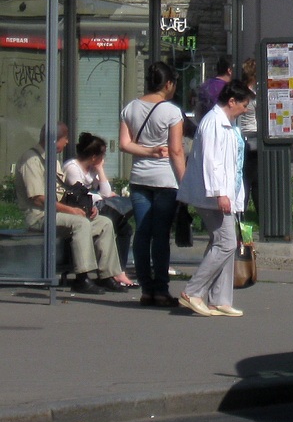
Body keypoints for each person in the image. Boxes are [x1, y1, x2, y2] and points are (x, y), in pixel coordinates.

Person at [14, 123, 125, 294]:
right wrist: (71, 211)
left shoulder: (53, 160)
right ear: (54, 140)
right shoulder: (32, 160)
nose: (66, 143)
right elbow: (38, 198)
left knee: (104, 223)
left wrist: (84, 208)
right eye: (65, 139)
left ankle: (106, 275)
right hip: (39, 216)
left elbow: (61, 194)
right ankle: (82, 277)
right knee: (80, 223)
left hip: (58, 213)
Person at [177, 80, 254, 318]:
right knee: (226, 242)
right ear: (231, 102)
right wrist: (220, 193)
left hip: (223, 193)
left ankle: (219, 299)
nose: (245, 110)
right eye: (243, 105)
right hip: (212, 195)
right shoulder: (213, 123)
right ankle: (193, 291)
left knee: (222, 243)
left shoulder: (227, 125)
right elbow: (212, 161)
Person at [119, 62, 187, 307]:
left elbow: (124, 144)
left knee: (142, 234)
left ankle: (146, 289)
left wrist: (147, 151)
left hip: (139, 178)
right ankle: (161, 289)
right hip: (166, 180)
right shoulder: (171, 112)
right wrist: (185, 182)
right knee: (160, 236)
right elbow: (176, 150)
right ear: (168, 84)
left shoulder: (130, 108)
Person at [64, 132, 136, 283]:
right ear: (94, 157)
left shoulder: (91, 170)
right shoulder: (72, 168)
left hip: (93, 207)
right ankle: (115, 271)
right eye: (102, 156)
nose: (104, 160)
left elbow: (105, 191)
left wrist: (100, 171)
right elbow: (80, 194)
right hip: (80, 209)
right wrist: (102, 196)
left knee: (125, 228)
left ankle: (119, 270)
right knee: (117, 221)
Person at [237, 57, 260, 214]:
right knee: (253, 180)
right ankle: (251, 212)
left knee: (245, 179)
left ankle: (241, 212)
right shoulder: (252, 95)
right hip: (252, 138)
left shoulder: (239, 91)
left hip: (241, 136)